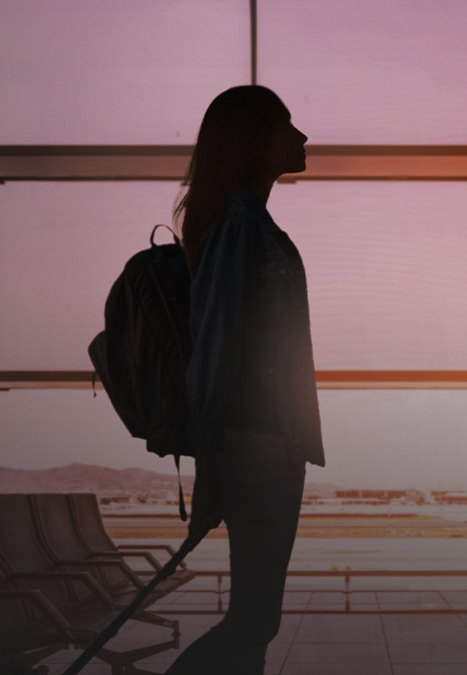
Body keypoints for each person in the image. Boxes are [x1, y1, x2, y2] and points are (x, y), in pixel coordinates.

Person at [166, 85, 324, 675]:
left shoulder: (248, 224)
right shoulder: (240, 228)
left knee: (257, 622)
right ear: (255, 144)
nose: (303, 137)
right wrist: (213, 466)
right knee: (256, 619)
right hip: (255, 444)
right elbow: (216, 348)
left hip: (267, 442)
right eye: (287, 125)